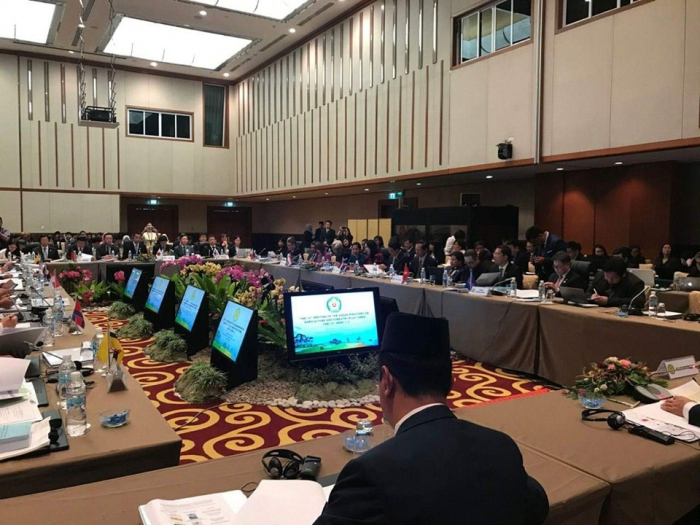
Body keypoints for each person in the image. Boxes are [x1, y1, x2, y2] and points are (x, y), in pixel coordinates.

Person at [315, 313, 549, 525]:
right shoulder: (501, 446)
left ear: (386, 382)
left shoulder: (371, 472)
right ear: (451, 382)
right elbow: (537, 504)